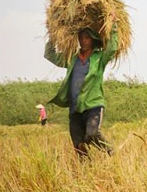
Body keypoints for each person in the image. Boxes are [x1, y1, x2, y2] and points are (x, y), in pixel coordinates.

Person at [44, 18, 118, 158]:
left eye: (87, 38)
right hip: (75, 108)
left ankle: (111, 152)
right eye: (81, 38)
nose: (83, 41)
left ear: (93, 40)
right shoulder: (72, 59)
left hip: (93, 105)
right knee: (78, 145)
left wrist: (113, 24)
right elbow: (50, 55)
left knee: (92, 134)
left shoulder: (99, 58)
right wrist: (52, 35)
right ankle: (87, 172)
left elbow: (112, 48)